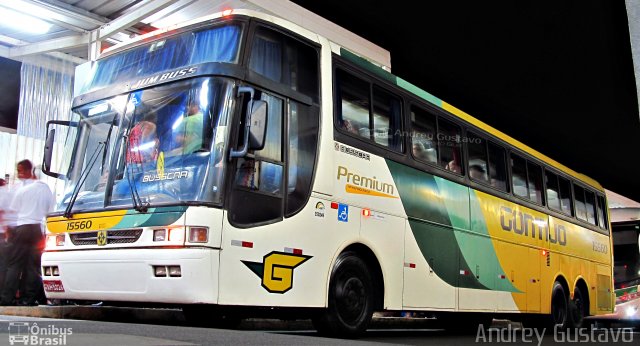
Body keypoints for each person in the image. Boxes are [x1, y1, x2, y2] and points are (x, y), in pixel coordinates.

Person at [0, 160, 55, 306]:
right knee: (33, 266)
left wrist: (8, 232)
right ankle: (28, 299)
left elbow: (12, 211)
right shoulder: (46, 189)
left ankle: (6, 299)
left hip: (22, 227)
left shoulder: (23, 190)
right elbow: (50, 211)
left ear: (30, 172)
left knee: (14, 265)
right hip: (38, 229)